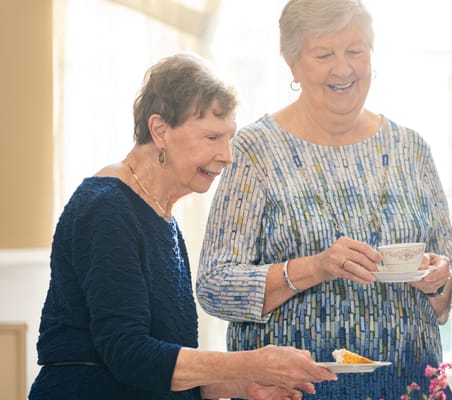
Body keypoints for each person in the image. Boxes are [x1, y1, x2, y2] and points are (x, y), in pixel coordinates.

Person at [195, 1, 452, 399]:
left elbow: (451, 271)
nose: (344, 69)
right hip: (293, 391)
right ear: (293, 65)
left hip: (409, 388)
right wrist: (315, 267)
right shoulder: (257, 151)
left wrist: (441, 281)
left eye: (355, 51)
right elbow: (215, 284)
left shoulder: (410, 148)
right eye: (324, 55)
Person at [29, 54, 335, 400]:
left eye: (229, 138)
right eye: (211, 138)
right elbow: (128, 355)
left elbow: (158, 368)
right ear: (160, 130)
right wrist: (254, 363)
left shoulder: (163, 217)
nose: (227, 156)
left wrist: (244, 387)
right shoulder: (107, 208)